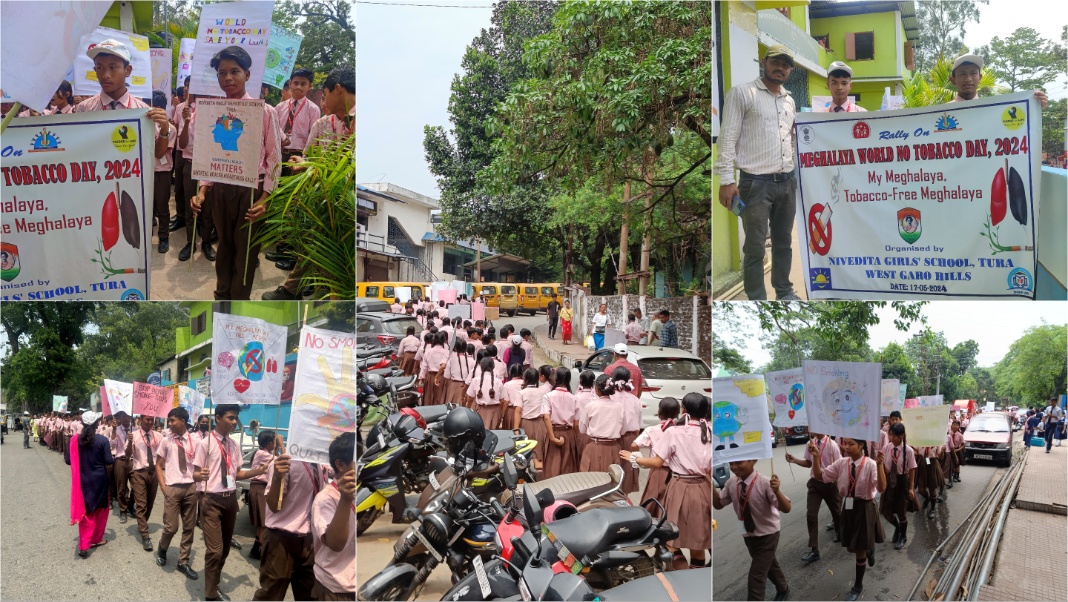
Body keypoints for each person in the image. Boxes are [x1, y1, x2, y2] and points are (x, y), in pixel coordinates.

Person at [190, 46, 283, 300]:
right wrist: (202, 190)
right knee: (225, 248)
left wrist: (266, 199)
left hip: (250, 191)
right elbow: (208, 155)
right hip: (220, 189)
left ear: (248, 74)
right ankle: (221, 296)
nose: (227, 78)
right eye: (222, 73)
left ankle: (240, 299)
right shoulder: (211, 110)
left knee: (246, 251)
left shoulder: (264, 111)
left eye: (234, 71)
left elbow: (274, 157)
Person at [714, 44, 800, 301]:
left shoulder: (790, 100)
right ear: (765, 62)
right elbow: (727, 139)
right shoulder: (742, 93)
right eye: (776, 62)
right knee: (755, 248)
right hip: (755, 184)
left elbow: (791, 140)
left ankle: (784, 292)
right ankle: (757, 299)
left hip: (787, 181)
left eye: (785, 65)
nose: (780, 68)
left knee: (783, 242)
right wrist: (727, 180)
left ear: (790, 70)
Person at [193, 404, 269, 601]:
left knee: (225, 549)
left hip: (230, 500)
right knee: (215, 550)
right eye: (230, 418)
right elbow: (194, 473)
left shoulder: (233, 445)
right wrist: (199, 474)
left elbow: (238, 473)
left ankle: (214, 584)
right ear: (217, 418)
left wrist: (259, 471)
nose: (235, 422)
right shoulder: (206, 444)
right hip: (210, 500)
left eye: (236, 418)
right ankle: (210, 594)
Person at [74, 39, 172, 174]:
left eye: (113, 67)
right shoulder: (83, 109)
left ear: (128, 70)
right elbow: (77, 150)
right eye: (100, 67)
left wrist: (164, 130)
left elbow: (158, 153)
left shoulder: (143, 112)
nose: (105, 75)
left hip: (132, 185)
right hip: (96, 183)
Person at [812, 438, 887, 601]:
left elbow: (881, 487)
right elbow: (820, 475)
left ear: (861, 446)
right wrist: (816, 457)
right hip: (849, 506)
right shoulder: (841, 463)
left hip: (865, 506)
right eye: (845, 443)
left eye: (851, 444)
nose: (846, 447)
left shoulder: (871, 464)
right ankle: (869, 549)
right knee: (854, 545)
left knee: (858, 550)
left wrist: (880, 465)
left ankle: (858, 585)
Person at [710, 457, 789, 598]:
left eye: (738, 462)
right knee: (768, 564)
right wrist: (709, 484)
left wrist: (777, 491)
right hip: (748, 533)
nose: (734, 466)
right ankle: (783, 588)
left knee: (756, 576)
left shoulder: (765, 482)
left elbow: (786, 508)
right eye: (731, 463)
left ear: (753, 460)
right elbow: (718, 504)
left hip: (768, 534)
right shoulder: (731, 483)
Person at [253, 449, 324, 600]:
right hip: (282, 540)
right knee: (271, 595)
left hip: (310, 540)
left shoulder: (319, 463)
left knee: (310, 594)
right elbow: (274, 506)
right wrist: (278, 477)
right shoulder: (284, 463)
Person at [154, 407, 200, 579]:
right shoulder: (167, 441)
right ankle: (162, 548)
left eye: (173, 420)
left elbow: (200, 464)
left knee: (189, 527)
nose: (170, 424)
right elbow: (158, 465)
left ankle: (183, 561)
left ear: (182, 421)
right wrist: (163, 486)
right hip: (172, 488)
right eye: (169, 421)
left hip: (190, 488)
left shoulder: (195, 441)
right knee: (171, 527)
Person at [310, 432, 356, 600]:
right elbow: (336, 543)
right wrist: (345, 500)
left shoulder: (360, 490)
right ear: (340, 465)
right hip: (335, 589)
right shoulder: (326, 499)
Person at [785, 430, 842, 563]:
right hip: (814, 485)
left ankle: (840, 531)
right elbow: (809, 463)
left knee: (837, 512)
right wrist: (794, 460)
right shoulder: (810, 443)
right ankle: (814, 550)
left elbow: (840, 466)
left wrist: (838, 484)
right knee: (811, 515)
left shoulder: (832, 445)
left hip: (829, 484)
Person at [66, 411, 114, 557]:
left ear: (82, 422)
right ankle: (95, 539)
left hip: (83, 480)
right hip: (100, 480)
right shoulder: (102, 440)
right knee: (100, 509)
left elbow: (68, 461)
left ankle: (85, 543)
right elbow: (109, 461)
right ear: (97, 423)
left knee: (87, 511)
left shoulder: (75, 440)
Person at [629, 397, 680, 518]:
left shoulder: (652, 430)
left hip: (658, 471)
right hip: (678, 473)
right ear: (678, 413)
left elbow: (634, 445)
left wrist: (640, 457)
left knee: (653, 502)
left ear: (659, 412)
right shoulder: (682, 430)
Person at [947, 54, 1048, 108]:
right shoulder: (942, 113)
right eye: (962, 74)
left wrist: (1035, 108)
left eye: (973, 73)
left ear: (980, 78)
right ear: (953, 80)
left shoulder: (994, 109)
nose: (968, 79)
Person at [578, 374, 626, 472]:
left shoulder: (591, 406)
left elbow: (582, 429)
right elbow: (623, 431)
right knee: (611, 479)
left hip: (594, 447)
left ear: (597, 389)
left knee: (591, 479)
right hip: (613, 448)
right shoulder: (619, 407)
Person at [880, 423, 917, 550]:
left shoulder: (908, 450)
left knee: (901, 511)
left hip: (902, 481)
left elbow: (912, 469)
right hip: (889, 481)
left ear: (902, 436)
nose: (892, 438)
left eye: (895, 436)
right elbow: (883, 466)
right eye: (891, 435)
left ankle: (903, 536)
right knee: (886, 511)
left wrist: (911, 488)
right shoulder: (886, 448)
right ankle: (897, 527)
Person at [149, 90, 177, 253]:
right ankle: (147, 237)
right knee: (148, 207)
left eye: (160, 108)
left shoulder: (170, 128)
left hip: (162, 173)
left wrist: (162, 129)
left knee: (162, 206)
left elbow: (160, 151)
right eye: (154, 107)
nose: (156, 111)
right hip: (146, 172)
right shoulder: (146, 125)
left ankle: (164, 237)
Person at [512, 367, 556, 469]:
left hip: (525, 424)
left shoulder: (521, 393)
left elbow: (518, 411)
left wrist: (515, 429)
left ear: (525, 378)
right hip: (540, 425)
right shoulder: (543, 392)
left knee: (524, 452)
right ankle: (539, 476)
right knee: (538, 452)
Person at [275, 68, 321, 164]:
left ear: (310, 86)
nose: (299, 87)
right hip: (278, 152)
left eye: (303, 84)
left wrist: (306, 160)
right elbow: (273, 130)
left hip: (298, 156)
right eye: (295, 83)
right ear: (290, 83)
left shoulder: (313, 109)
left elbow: (313, 137)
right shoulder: (279, 107)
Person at [130, 413, 162, 551]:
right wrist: (128, 442)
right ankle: (145, 535)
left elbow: (162, 455)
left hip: (154, 473)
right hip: (139, 473)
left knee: (150, 502)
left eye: (152, 419)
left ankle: (142, 522)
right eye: (147, 419)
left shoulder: (159, 436)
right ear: (141, 420)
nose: (150, 422)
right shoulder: (134, 435)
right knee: (141, 504)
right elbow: (127, 454)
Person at [248, 430, 280, 560]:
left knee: (263, 522)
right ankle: (257, 550)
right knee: (263, 522)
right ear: (269, 442)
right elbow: (280, 461)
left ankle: (257, 549)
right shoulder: (262, 454)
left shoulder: (265, 453)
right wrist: (282, 445)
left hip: (260, 488)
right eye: (274, 442)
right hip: (259, 487)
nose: (275, 444)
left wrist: (277, 446)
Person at [542, 368, 578, 479]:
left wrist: (552, 437)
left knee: (551, 464)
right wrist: (573, 437)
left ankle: (552, 492)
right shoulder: (574, 398)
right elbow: (576, 423)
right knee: (568, 467)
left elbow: (546, 417)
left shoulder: (548, 396)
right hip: (569, 432)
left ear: (555, 378)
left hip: (553, 431)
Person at [468, 356, 506, 429]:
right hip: (494, 412)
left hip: (479, 410)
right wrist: (500, 413)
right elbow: (502, 400)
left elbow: (470, 397)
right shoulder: (498, 382)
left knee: (479, 432)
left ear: (481, 366)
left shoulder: (475, 380)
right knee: (493, 433)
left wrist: (469, 407)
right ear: (493, 367)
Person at [110, 411, 133, 524]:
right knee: (121, 488)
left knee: (138, 486)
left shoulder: (136, 429)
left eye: (128, 416)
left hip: (133, 461)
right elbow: (112, 445)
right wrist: (114, 430)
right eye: (124, 416)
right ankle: (123, 510)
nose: (126, 419)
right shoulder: (116, 429)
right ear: (120, 417)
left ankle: (131, 504)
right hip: (121, 460)